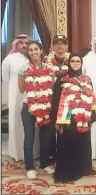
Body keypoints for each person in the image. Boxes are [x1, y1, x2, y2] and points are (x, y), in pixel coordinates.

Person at [52, 53, 96, 183]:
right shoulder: (62, 79)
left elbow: (91, 98)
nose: (76, 63)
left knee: (83, 143)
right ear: (69, 63)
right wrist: (56, 120)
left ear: (81, 63)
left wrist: (92, 117)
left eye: (78, 61)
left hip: (83, 117)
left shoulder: (87, 79)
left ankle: (83, 169)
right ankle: (66, 173)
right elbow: (55, 100)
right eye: (73, 61)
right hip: (67, 118)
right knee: (67, 143)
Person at [18, 41, 55, 179]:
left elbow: (52, 86)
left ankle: (44, 163)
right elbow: (21, 89)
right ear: (28, 53)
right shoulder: (23, 68)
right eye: (30, 50)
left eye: (36, 49)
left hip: (46, 106)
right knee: (29, 138)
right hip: (29, 107)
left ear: (41, 50)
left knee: (45, 137)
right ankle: (29, 167)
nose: (33, 52)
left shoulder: (48, 67)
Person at [1, 34, 35, 161]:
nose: (24, 46)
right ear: (16, 44)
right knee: (17, 124)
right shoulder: (9, 59)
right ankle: (16, 153)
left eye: (26, 43)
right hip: (15, 96)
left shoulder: (32, 58)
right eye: (21, 43)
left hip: (32, 98)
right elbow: (5, 79)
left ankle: (33, 153)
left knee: (31, 127)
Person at [44, 34, 70, 161]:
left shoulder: (72, 60)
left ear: (67, 46)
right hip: (51, 98)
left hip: (68, 99)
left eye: (63, 43)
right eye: (57, 43)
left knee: (66, 125)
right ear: (53, 46)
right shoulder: (46, 62)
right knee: (51, 128)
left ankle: (65, 153)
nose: (60, 46)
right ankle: (51, 154)